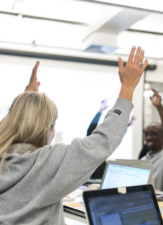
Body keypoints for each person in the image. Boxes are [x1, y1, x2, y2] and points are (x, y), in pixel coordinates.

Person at [0, 46, 148, 224]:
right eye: (53, 126)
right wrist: (128, 87)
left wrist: (27, 102)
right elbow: (102, 141)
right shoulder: (43, 163)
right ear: (46, 129)